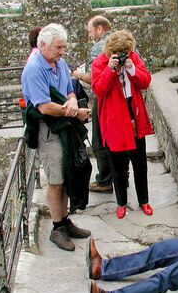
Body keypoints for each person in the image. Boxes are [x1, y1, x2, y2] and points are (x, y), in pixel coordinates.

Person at [21, 23, 92, 251]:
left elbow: (69, 89)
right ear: (42, 45)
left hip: (63, 124)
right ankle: (57, 228)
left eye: (63, 47)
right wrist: (75, 111)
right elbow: (43, 106)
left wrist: (72, 100)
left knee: (67, 174)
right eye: (58, 47)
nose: (62, 51)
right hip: (48, 129)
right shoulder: (34, 69)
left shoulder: (59, 63)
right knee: (55, 181)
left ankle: (64, 222)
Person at [91, 30, 154, 219]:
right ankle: (121, 203)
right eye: (119, 52)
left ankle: (144, 200)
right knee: (117, 165)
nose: (123, 54)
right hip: (114, 118)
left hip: (133, 114)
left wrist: (132, 68)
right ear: (111, 51)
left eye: (126, 51)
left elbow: (145, 81)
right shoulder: (99, 63)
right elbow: (99, 89)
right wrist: (110, 69)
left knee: (140, 163)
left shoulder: (133, 58)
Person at [71, 16, 117, 194]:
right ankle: (122, 176)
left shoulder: (98, 47)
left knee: (100, 140)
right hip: (124, 98)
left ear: (99, 29)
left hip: (104, 97)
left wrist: (78, 74)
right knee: (121, 138)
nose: (90, 36)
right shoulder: (125, 42)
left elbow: (94, 79)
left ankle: (105, 180)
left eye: (90, 31)